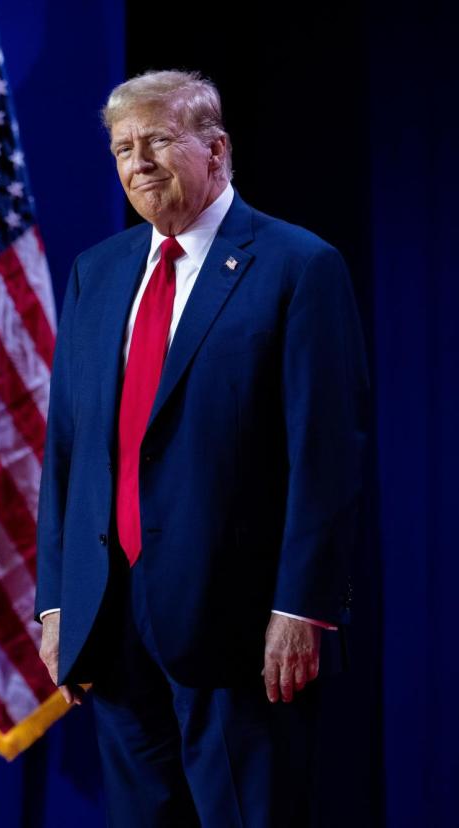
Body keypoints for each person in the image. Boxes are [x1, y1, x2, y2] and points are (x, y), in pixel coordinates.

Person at [35, 70, 368, 826]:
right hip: (111, 621)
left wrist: (302, 607)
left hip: (237, 626)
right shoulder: (98, 271)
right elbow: (67, 451)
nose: (137, 162)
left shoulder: (296, 266)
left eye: (156, 140)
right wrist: (57, 600)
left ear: (215, 150)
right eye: (122, 148)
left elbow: (326, 454)